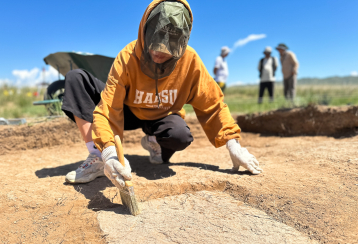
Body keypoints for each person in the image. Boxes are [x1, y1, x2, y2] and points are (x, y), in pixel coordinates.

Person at [62, 0, 262, 188]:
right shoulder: (128, 56)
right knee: (75, 78)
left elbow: (213, 104)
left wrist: (233, 145)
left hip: (161, 116)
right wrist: (108, 152)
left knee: (180, 136)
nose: (158, 54)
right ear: (145, 31)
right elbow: (108, 109)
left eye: (168, 50)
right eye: (155, 46)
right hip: (128, 110)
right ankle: (96, 155)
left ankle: (154, 142)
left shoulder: (191, 61)